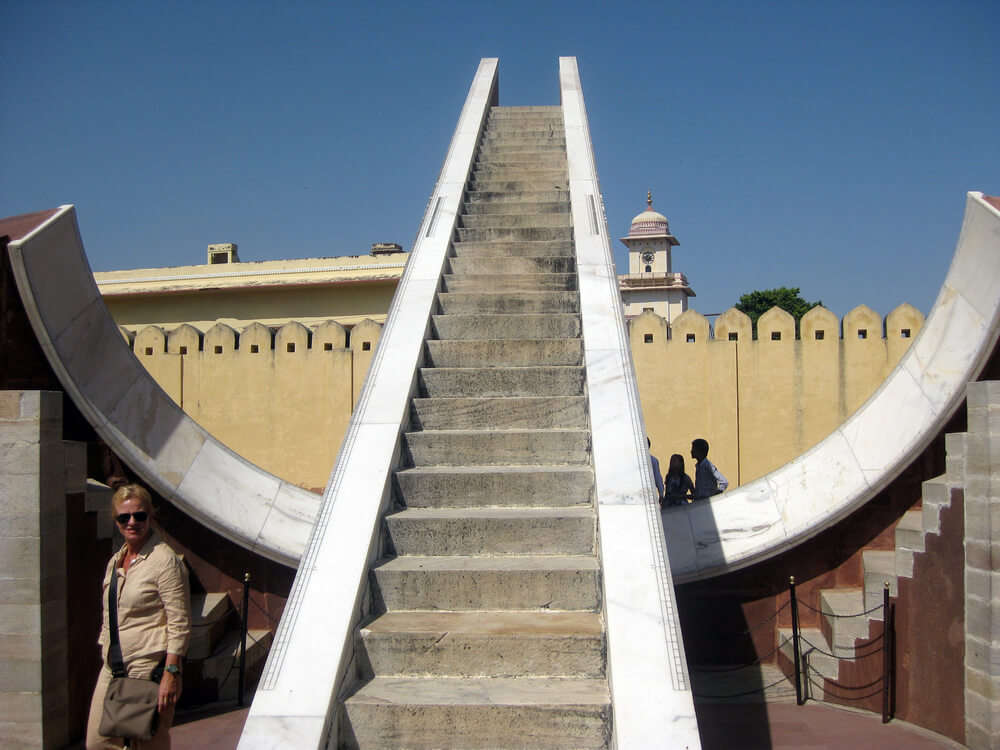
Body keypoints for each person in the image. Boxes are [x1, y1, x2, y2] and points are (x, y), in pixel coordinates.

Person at [86, 484, 191, 750]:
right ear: (116, 521)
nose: (132, 522)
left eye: (139, 516)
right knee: (99, 743)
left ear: (150, 517)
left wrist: (171, 672)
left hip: (149, 666)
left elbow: (179, 622)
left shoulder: (164, 561)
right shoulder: (116, 561)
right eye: (124, 517)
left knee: (147, 743)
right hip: (114, 665)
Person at [648, 437, 664, 504]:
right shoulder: (653, 460)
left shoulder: (653, 461)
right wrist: (661, 493)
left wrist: (661, 494)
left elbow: (658, 478)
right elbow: (658, 479)